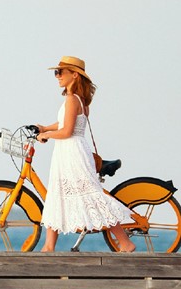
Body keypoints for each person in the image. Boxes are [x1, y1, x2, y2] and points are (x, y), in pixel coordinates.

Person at [36, 56, 136, 252]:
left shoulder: (72, 100)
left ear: (74, 75)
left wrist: (46, 135)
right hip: (68, 152)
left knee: (89, 196)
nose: (57, 76)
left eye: (60, 72)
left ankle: (125, 242)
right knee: (58, 194)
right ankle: (48, 246)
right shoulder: (78, 100)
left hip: (71, 153)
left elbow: (66, 131)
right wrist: (45, 127)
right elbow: (65, 123)